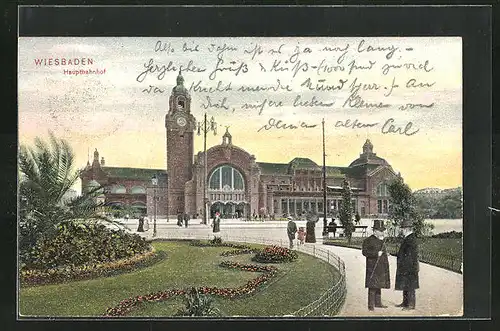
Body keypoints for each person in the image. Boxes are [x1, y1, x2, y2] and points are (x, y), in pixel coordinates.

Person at [362, 219, 390, 311]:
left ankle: (378, 303)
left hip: (381, 267)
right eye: (380, 231)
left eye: (383, 231)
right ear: (375, 231)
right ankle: (371, 305)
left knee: (379, 284)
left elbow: (383, 252)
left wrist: (386, 254)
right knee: (372, 285)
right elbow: (365, 252)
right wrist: (375, 254)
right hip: (372, 266)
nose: (382, 233)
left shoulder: (382, 241)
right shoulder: (368, 240)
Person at [395, 219, 420, 310]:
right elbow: (404, 253)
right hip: (407, 266)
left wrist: (406, 267)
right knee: (406, 284)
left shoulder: (410, 239)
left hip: (409, 267)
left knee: (410, 286)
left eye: (402, 229)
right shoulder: (408, 238)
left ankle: (411, 305)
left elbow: (410, 256)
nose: (401, 230)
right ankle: (405, 302)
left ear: (406, 229)